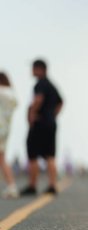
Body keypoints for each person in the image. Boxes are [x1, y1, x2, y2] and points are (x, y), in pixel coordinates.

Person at [20, 59, 63, 196]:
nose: (31, 71)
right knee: (50, 154)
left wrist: (32, 114)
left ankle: (32, 185)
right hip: (50, 123)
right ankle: (52, 185)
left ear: (40, 69)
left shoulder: (40, 84)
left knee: (32, 153)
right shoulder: (51, 85)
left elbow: (38, 99)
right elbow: (61, 102)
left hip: (40, 124)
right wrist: (52, 115)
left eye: (33, 68)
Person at [0, 72, 19, 198]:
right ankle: (11, 186)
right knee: (2, 158)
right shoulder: (11, 95)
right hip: (5, 130)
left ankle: (12, 186)